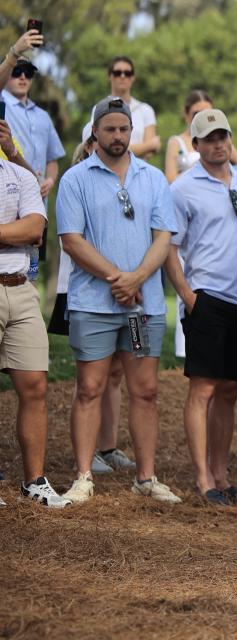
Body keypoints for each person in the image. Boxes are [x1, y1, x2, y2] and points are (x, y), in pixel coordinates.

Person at [57, 97, 181, 505]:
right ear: (95, 132)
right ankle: (83, 477)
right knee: (90, 388)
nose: (117, 136)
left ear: (131, 132)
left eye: (123, 129)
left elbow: (163, 235)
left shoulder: (153, 178)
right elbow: (72, 240)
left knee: (145, 390)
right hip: (94, 305)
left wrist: (139, 279)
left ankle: (146, 478)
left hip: (139, 311)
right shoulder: (76, 179)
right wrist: (117, 278)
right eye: (109, 129)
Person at [166, 108, 237, 505]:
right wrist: (188, 296)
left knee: (229, 391)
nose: (218, 143)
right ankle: (204, 479)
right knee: (202, 389)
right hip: (207, 298)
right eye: (209, 138)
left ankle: (222, 476)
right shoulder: (183, 188)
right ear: (196, 145)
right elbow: (170, 249)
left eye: (223, 136)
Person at [48, 124, 138, 476]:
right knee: (90, 377)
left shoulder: (124, 184)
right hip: (81, 292)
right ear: (89, 143)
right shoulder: (76, 182)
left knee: (115, 373)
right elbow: (74, 241)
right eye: (99, 137)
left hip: (123, 294)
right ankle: (86, 455)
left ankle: (108, 446)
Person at [0, 132, 70, 508]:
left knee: (35, 387)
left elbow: (34, 230)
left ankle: (34, 483)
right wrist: (13, 232)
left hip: (21, 289)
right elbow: (21, 229)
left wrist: (15, 232)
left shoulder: (20, 175)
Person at [1, 57, 63, 199]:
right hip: (9, 193)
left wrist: (50, 180)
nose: (23, 77)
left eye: (28, 72)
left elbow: (52, 159)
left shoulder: (43, 116)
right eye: (16, 71)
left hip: (38, 197)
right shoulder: (2, 104)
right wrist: (15, 52)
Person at [164, 90, 237, 184]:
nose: (202, 117)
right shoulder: (176, 142)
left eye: (207, 113)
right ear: (186, 114)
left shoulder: (220, 143)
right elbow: (170, 180)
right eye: (196, 114)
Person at [92, 56, 161, 159]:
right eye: (117, 73)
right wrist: (148, 145)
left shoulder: (146, 110)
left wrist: (114, 149)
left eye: (127, 73)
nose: (123, 76)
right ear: (110, 76)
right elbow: (96, 148)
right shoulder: (99, 109)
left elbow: (149, 154)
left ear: (133, 77)